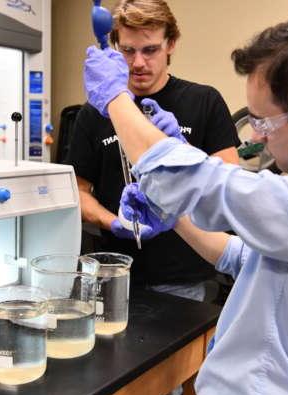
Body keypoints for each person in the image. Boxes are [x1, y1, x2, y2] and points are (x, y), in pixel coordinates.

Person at [83, 7, 288, 395]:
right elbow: (243, 257)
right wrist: (176, 216)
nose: (257, 136)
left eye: (263, 122)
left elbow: (207, 184)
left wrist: (116, 99)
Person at [67, 0, 240, 301]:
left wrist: (181, 150)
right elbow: (77, 192)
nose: (138, 63)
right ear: (115, 45)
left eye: (150, 50)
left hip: (183, 278)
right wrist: (113, 222)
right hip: (115, 273)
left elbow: (230, 186)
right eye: (128, 51)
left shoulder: (204, 101)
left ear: (171, 43)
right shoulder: (95, 111)